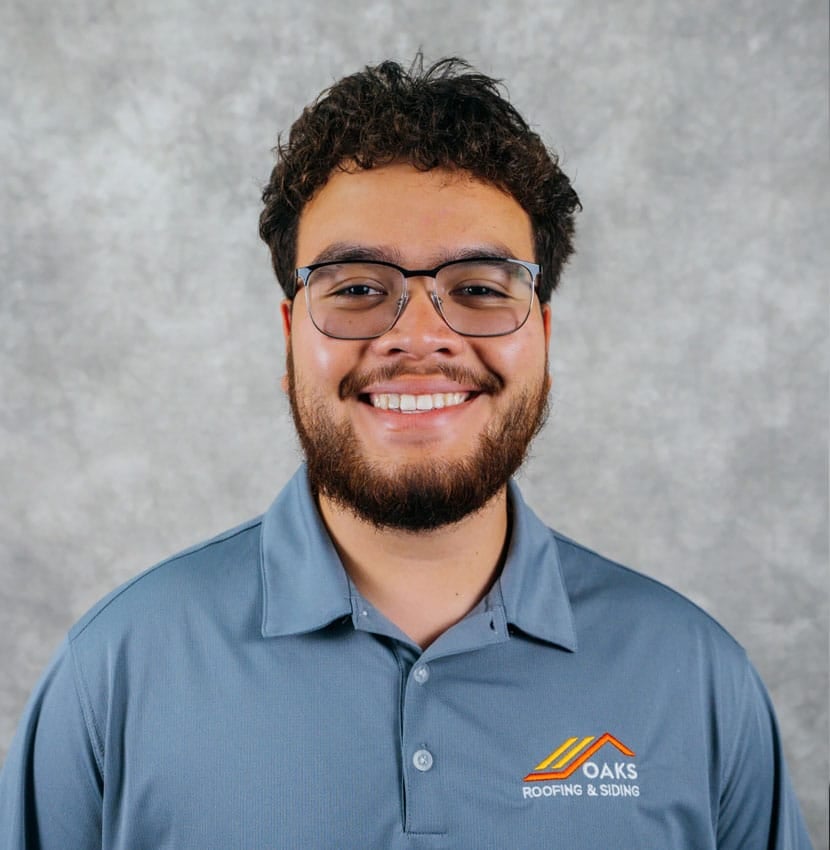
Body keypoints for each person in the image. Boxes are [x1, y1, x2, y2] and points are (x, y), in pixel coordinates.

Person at [0, 56, 812, 849]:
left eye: (481, 289)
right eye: (357, 288)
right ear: (290, 337)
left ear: (544, 336)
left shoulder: (695, 679)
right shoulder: (112, 674)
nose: (419, 337)